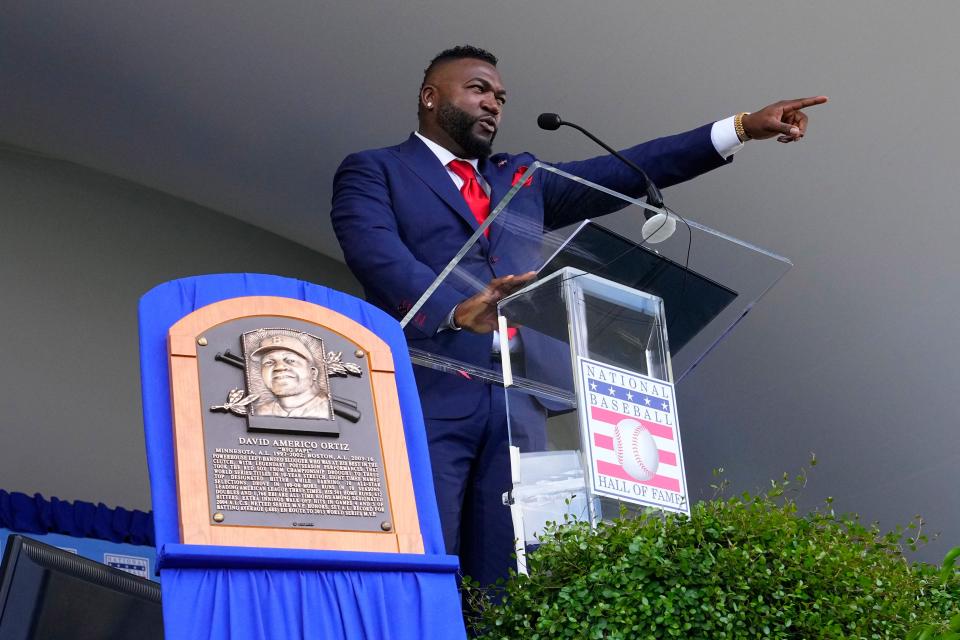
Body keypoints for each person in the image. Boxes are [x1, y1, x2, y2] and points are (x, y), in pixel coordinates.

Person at [330, 45, 826, 586]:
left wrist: (740, 129)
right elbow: (375, 251)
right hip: (428, 389)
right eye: (478, 89)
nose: (493, 102)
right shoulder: (375, 170)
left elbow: (627, 170)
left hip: (520, 400)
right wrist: (452, 308)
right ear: (430, 96)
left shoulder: (522, 178)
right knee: (424, 559)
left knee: (512, 574)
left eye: (500, 96)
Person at [249, 335, 332, 419]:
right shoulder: (261, 412)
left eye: (291, 360)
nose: (279, 367)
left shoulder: (331, 410)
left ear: (313, 373)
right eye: (269, 362)